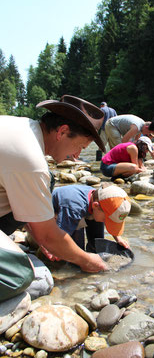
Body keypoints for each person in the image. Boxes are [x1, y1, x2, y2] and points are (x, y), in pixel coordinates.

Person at [0, 95, 110, 293]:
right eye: (80, 147)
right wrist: (87, 260)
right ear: (62, 131)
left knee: (48, 181)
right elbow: (49, 236)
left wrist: (40, 235)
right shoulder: (30, 161)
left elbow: (24, 204)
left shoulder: (24, 127)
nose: (77, 157)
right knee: (25, 277)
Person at [52, 184, 131, 255]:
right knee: (77, 248)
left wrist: (118, 238)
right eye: (106, 220)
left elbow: (109, 214)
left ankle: (93, 251)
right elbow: (59, 238)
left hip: (87, 209)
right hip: (59, 212)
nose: (106, 222)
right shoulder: (74, 208)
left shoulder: (99, 198)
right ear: (95, 205)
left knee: (97, 244)